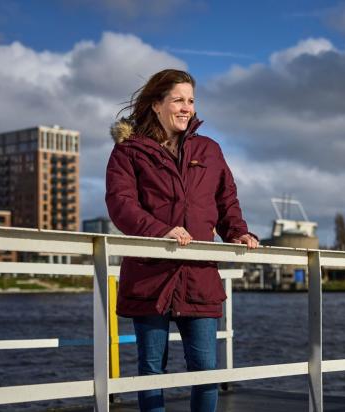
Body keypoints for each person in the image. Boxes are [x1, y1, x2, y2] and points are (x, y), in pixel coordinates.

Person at [105, 68, 258, 412]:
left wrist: (238, 232)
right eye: (178, 99)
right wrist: (161, 230)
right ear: (156, 104)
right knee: (152, 370)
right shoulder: (129, 152)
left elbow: (226, 202)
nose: (187, 107)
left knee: (204, 371)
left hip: (199, 275)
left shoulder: (210, 150)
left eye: (191, 100)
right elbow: (120, 204)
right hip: (149, 275)